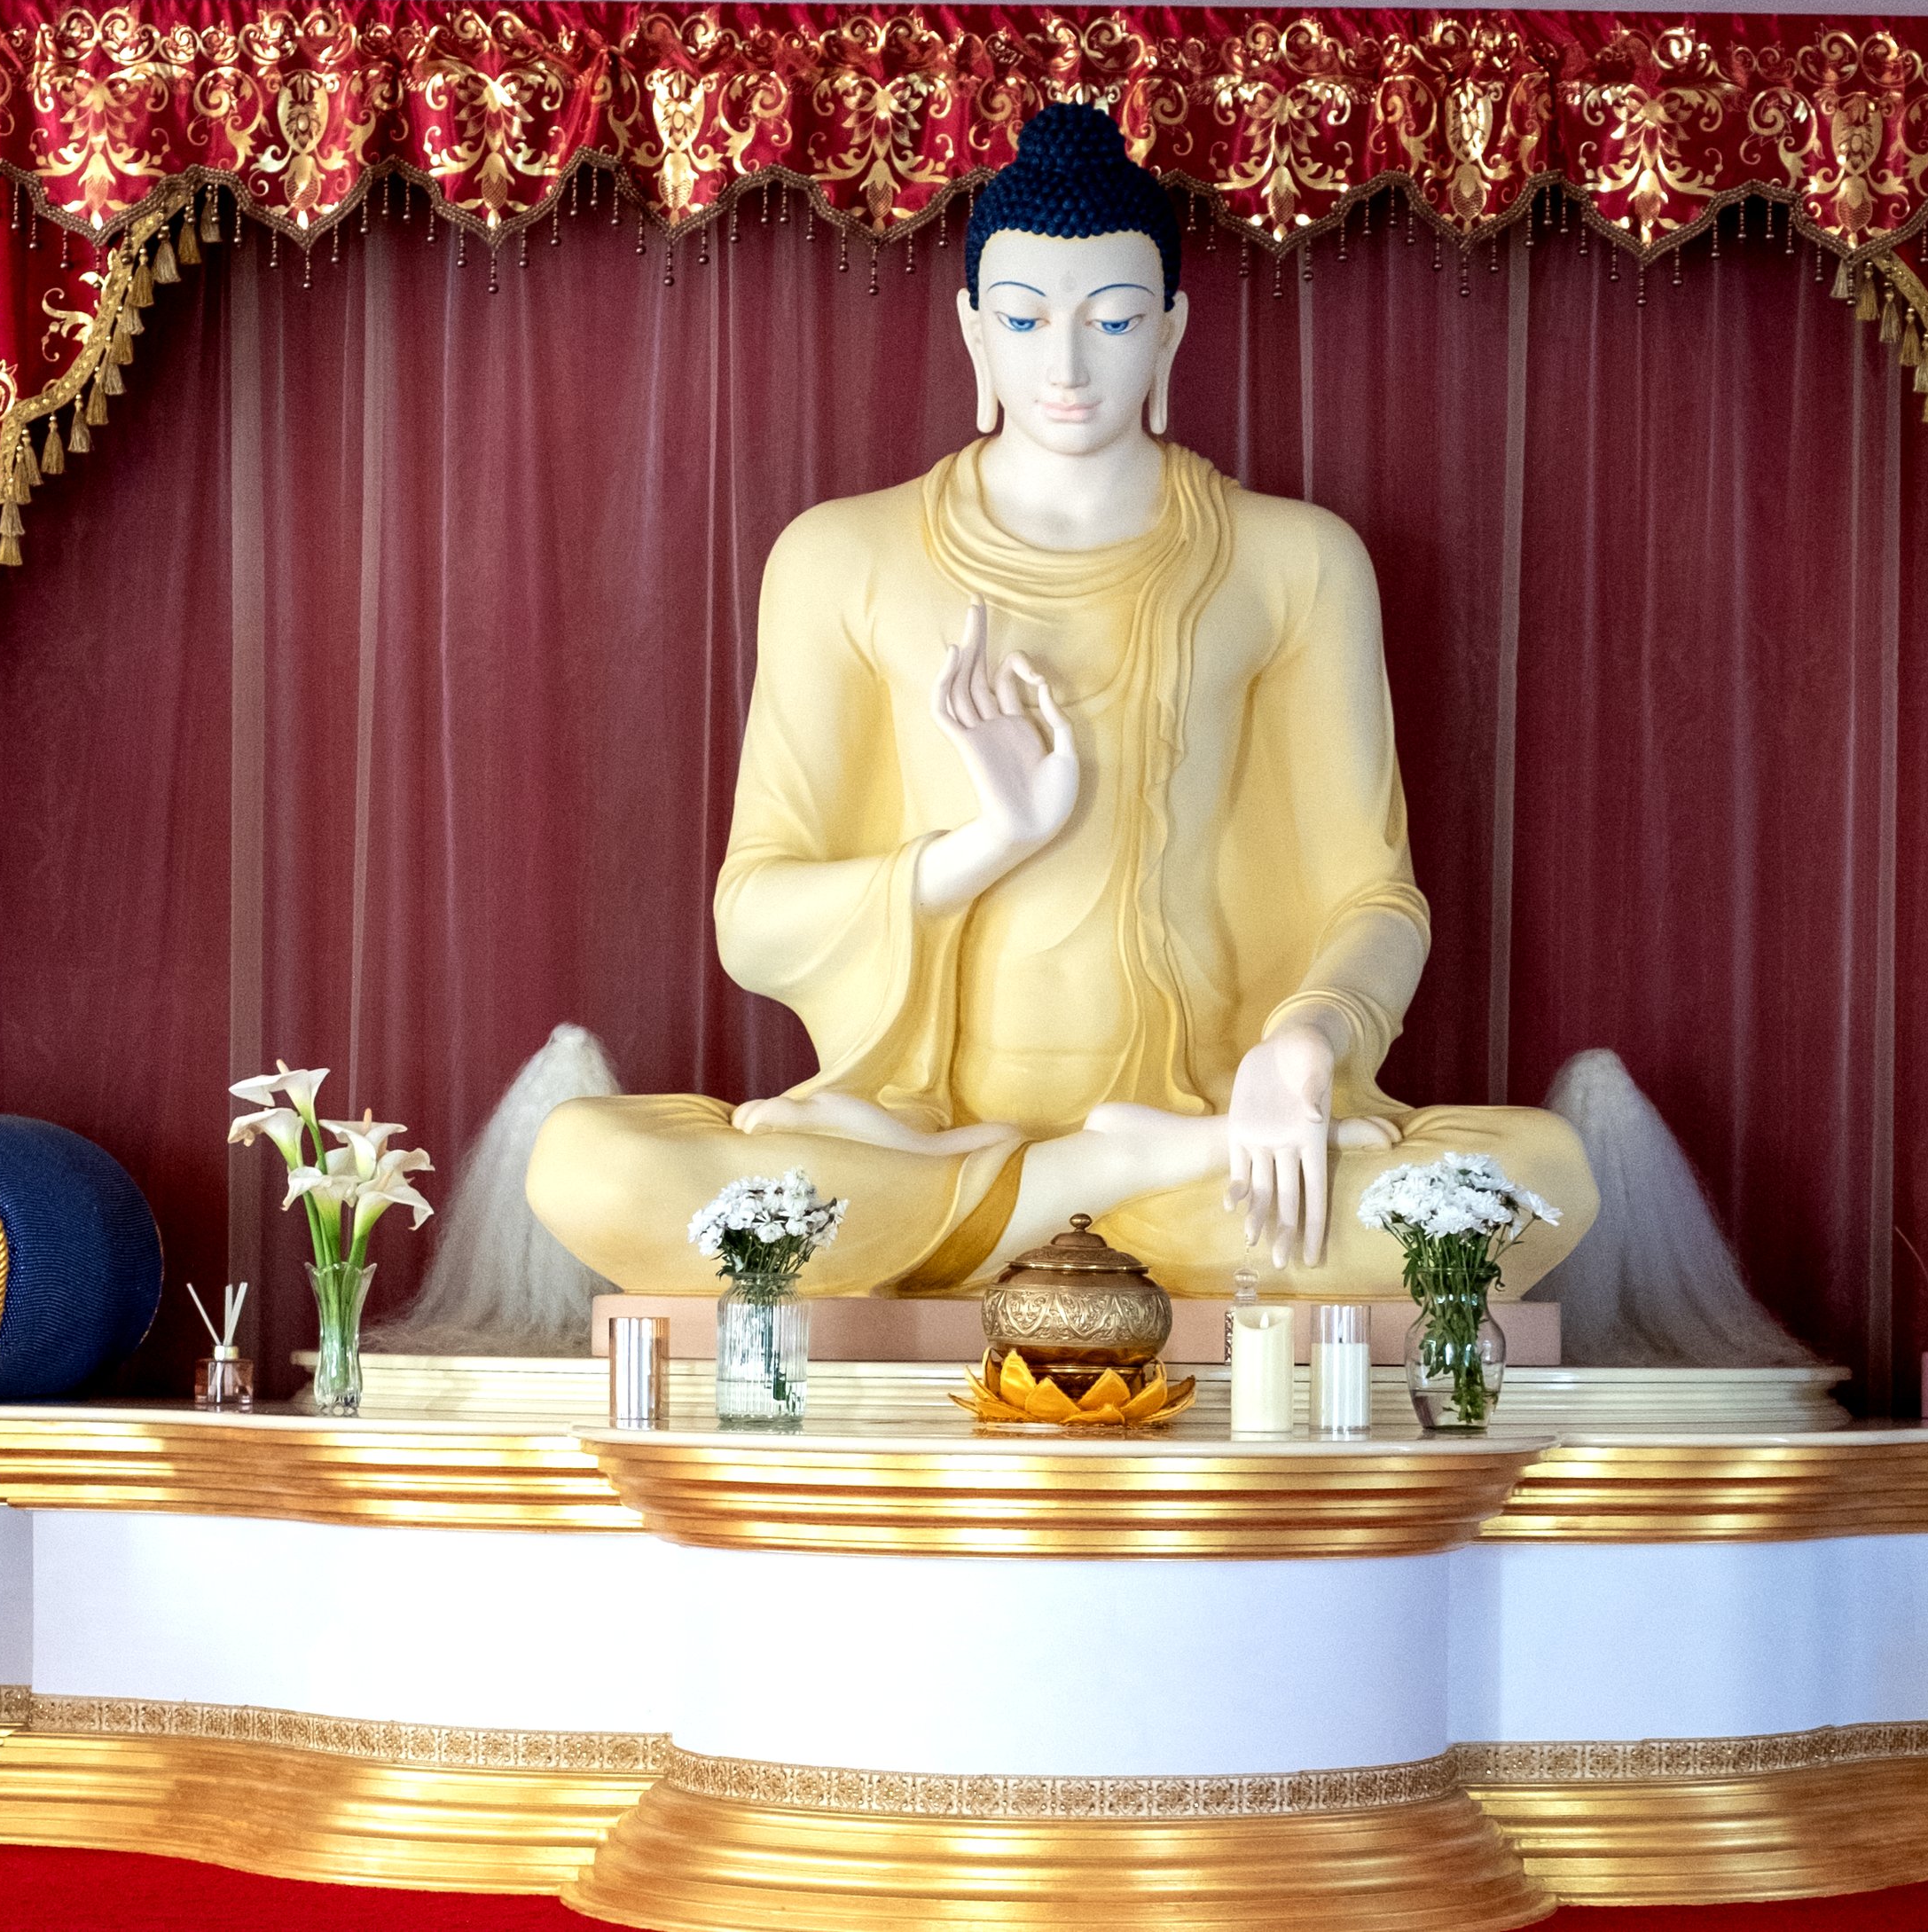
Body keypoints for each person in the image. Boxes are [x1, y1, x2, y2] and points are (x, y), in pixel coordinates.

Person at [527, 105, 1596, 1299]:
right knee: (588, 1164)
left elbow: (1374, 893)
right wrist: (997, 840)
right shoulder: (840, 555)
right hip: (907, 1120)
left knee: (1536, 1175)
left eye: (1117, 319)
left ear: (1172, 333)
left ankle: (1073, 1181)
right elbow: (755, 921)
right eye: (1029, 321)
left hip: (1207, 1153)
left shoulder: (1293, 560)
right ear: (973, 335)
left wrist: (1306, 1046)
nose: (1070, 367)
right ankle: (1087, 1176)